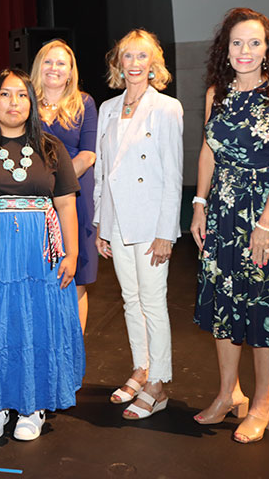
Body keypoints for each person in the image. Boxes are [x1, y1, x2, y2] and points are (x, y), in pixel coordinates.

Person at [0, 68, 84, 441]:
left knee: (34, 319)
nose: (14, 103)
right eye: (6, 95)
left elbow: (66, 204)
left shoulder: (51, 148)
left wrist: (71, 254)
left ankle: (32, 405)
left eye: (22, 95)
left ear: (32, 102)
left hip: (40, 250)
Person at [190, 8, 269, 443]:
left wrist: (268, 220)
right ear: (226, 47)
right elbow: (207, 151)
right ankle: (227, 395)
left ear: (268, 49)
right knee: (225, 304)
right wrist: (199, 206)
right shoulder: (217, 91)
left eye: (254, 43)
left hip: (262, 211)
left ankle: (262, 404)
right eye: (237, 42)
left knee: (262, 308)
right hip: (221, 211)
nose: (245, 51)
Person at [94, 29, 183, 419]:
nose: (134, 64)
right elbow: (102, 173)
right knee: (131, 301)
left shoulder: (166, 107)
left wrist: (167, 231)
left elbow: (173, 173)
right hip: (117, 221)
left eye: (141, 56)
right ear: (119, 63)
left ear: (154, 64)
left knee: (152, 302)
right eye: (127, 56)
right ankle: (140, 369)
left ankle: (158, 383)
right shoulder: (108, 108)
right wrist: (100, 223)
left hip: (150, 223)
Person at [30, 40, 98, 332]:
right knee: (38, 279)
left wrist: (56, 183)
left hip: (75, 200)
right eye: (48, 61)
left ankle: (73, 356)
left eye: (61, 63)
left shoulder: (84, 103)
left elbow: (89, 153)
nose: (54, 68)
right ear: (38, 67)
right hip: (33, 203)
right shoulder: (25, 102)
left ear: (71, 72)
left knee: (77, 282)